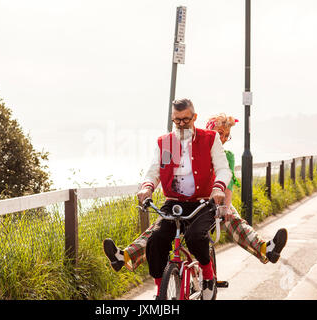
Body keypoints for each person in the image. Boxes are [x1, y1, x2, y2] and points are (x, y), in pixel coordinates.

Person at [103, 105, 288, 298]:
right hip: (178, 202)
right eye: (177, 120)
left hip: (208, 200)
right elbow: (156, 169)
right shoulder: (169, 143)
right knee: (155, 236)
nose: (181, 124)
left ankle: (260, 251)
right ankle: (139, 271)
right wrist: (147, 187)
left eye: (186, 120)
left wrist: (221, 198)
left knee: (220, 225)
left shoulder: (214, 145)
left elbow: (226, 177)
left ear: (194, 118)